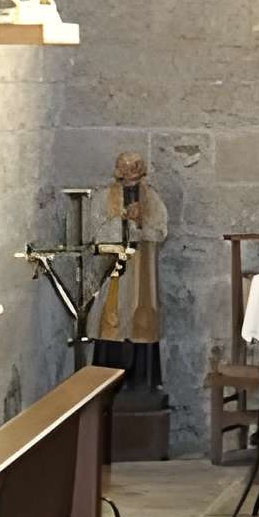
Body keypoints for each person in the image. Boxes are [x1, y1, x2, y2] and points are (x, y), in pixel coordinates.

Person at [91, 150, 167, 396]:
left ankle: (142, 384)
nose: (131, 173)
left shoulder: (151, 197)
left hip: (141, 271)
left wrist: (141, 224)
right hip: (115, 268)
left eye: (136, 168)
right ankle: (108, 383)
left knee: (141, 319)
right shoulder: (105, 197)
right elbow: (98, 228)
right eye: (126, 168)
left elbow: (160, 230)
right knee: (112, 317)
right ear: (119, 171)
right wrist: (124, 221)